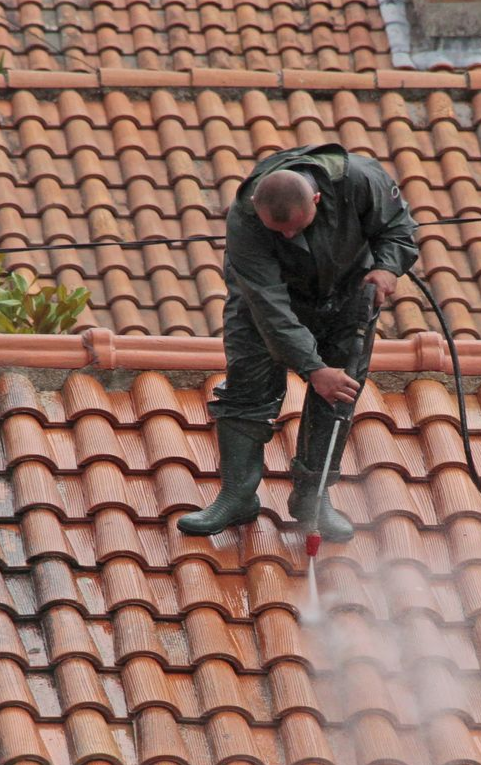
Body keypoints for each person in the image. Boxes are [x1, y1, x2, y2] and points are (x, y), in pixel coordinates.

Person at [177, 143, 418, 542]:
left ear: (317, 199)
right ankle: (237, 496)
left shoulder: (360, 180)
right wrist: (312, 367)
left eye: (296, 227)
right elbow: (270, 308)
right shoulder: (245, 218)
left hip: (347, 296)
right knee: (247, 387)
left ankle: (312, 497)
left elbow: (398, 228)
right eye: (279, 231)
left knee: (338, 392)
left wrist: (388, 267)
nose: (288, 236)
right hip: (264, 305)